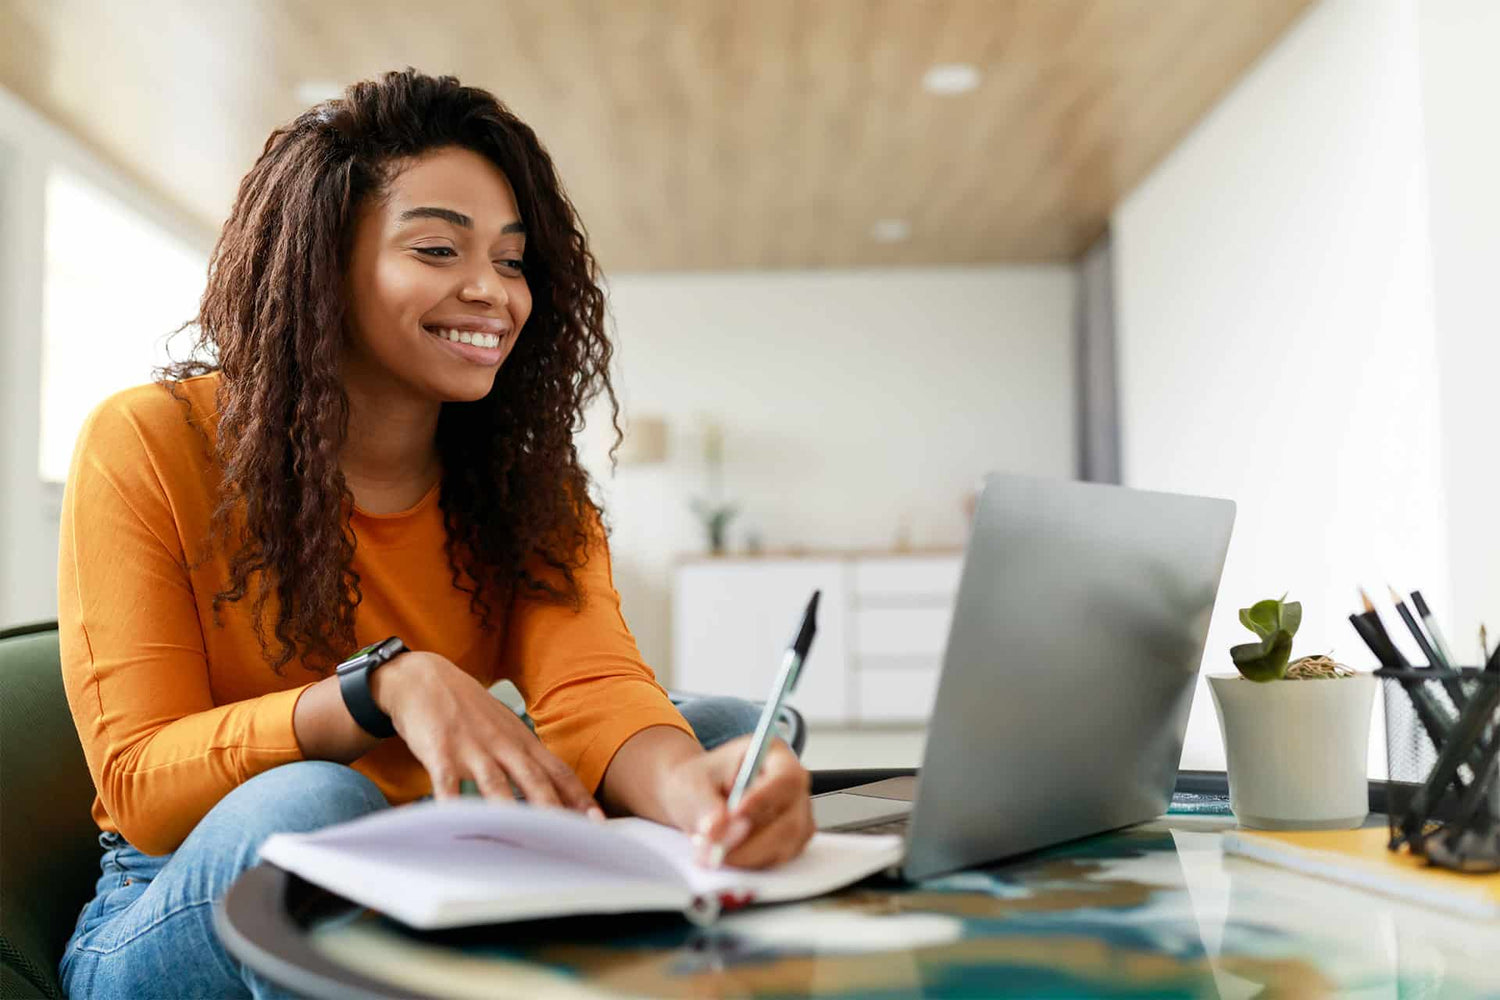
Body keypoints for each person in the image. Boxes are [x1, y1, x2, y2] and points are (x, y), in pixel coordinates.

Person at [56, 69, 814, 999]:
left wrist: (697, 801)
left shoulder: (524, 486)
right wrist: (379, 690)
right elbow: (141, 783)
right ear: (322, 263)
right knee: (318, 805)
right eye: (437, 250)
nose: (490, 292)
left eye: (509, 259)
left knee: (717, 737)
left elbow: (596, 688)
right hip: (178, 902)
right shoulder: (146, 440)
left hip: (438, 860)